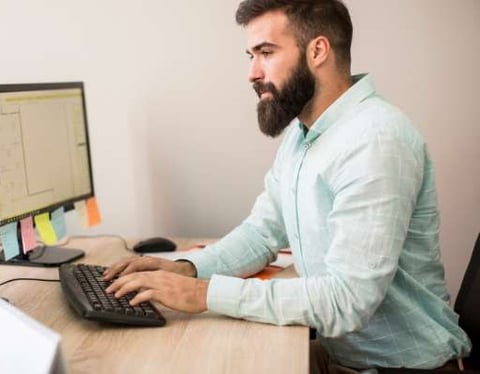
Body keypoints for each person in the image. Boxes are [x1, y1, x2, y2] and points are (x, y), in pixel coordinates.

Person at [104, 0, 472, 372]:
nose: (252, 72)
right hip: (344, 359)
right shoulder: (303, 134)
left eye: (266, 53)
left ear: (317, 51)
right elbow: (262, 234)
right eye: (250, 55)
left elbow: (347, 301)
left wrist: (203, 294)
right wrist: (186, 269)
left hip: (408, 368)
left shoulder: (375, 140)